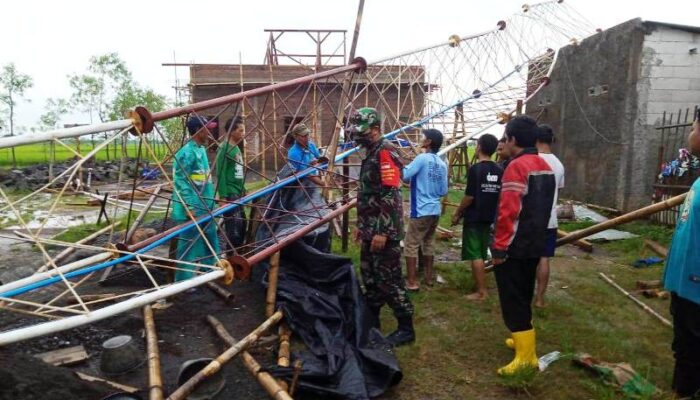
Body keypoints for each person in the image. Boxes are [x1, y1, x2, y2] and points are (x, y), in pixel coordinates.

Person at [490, 115, 554, 375]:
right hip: (534, 243)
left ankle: (526, 358)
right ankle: (521, 341)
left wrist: (499, 247)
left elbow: (509, 212)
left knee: (512, 298)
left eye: (506, 137)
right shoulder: (543, 164)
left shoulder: (516, 167)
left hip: (514, 247)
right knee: (524, 294)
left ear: (513, 139)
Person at [347, 107, 415, 347]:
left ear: (375, 130)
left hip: (383, 230)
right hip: (370, 228)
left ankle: (406, 328)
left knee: (389, 278)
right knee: (370, 276)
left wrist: (381, 231)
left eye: (361, 130)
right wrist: (362, 225)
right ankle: (371, 322)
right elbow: (368, 195)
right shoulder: (371, 152)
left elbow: (390, 194)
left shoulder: (385, 152)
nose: (356, 135)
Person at [662, 112, 700, 398]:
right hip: (684, 286)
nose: (690, 131)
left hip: (696, 288)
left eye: (694, 126)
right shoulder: (698, 183)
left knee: (692, 348)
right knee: (684, 347)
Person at [452, 134, 502, 301]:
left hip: (474, 217)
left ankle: (482, 292)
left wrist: (458, 212)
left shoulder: (475, 169)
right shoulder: (499, 170)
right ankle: (481, 286)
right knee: (481, 251)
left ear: (479, 147)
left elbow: (469, 197)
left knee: (476, 255)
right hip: (489, 217)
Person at [172, 115, 221, 282]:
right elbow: (181, 182)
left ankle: (211, 272)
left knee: (210, 239)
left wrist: (213, 199)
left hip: (206, 205)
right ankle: (184, 282)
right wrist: (188, 206)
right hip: (192, 208)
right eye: (207, 129)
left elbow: (204, 179)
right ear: (198, 130)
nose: (210, 132)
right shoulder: (186, 153)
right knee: (189, 246)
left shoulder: (201, 150)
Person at [401, 129, 449, 291]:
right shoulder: (441, 163)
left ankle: (412, 282)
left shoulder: (422, 158)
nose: (421, 139)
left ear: (428, 142)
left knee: (411, 244)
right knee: (428, 241)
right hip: (434, 210)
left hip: (420, 209)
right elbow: (443, 191)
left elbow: (405, 175)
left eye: (423, 137)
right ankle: (428, 278)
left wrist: (396, 163)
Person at [534, 124, 565, 308]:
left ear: (535, 139)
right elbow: (558, 190)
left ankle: (524, 294)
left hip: (530, 219)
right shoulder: (559, 164)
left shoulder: (531, 159)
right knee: (544, 258)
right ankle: (540, 299)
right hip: (550, 219)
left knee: (528, 259)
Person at [215, 116, 247, 253]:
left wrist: (243, 189)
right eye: (240, 130)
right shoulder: (224, 149)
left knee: (242, 224)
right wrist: (223, 196)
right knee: (234, 227)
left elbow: (238, 171)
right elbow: (220, 173)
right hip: (230, 192)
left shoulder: (236, 148)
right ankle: (230, 256)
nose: (243, 133)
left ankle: (238, 256)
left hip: (238, 191)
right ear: (232, 131)